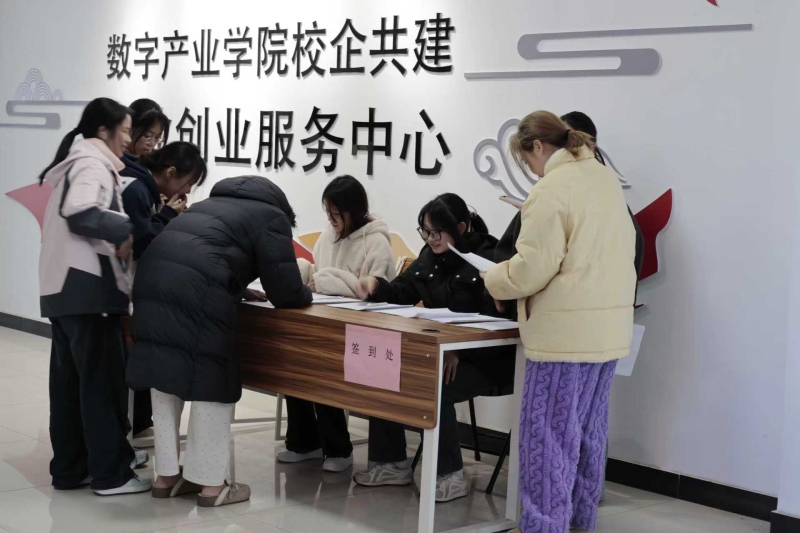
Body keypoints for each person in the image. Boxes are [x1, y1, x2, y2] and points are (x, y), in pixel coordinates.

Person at [483, 111, 637, 533]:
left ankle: (544, 526)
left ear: (537, 146)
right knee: (588, 432)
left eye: (525, 160)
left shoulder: (552, 189)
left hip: (563, 338)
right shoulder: (604, 179)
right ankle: (580, 521)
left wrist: (494, 278)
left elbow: (533, 267)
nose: (531, 170)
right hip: (607, 333)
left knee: (547, 440)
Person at [126, 175, 313, 507]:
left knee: (163, 376)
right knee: (212, 379)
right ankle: (213, 485)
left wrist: (238, 287)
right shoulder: (273, 217)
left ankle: (166, 477)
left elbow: (202, 253)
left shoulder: (206, 205)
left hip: (152, 283)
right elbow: (285, 291)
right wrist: (307, 294)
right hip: (198, 294)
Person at [353, 193, 515, 503]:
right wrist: (376, 286)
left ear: (461, 228)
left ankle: (449, 476)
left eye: (436, 232)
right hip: (446, 353)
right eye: (425, 231)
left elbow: (496, 320)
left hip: (489, 360)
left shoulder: (489, 257)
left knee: (434, 386)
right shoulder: (429, 256)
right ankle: (391, 464)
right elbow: (402, 291)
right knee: (384, 371)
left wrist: (458, 350)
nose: (430, 239)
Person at [38, 97, 152, 496]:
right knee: (102, 385)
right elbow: (82, 211)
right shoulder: (90, 163)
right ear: (104, 131)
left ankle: (71, 469)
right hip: (89, 291)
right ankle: (110, 474)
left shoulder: (74, 162)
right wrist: (127, 231)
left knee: (70, 388)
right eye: (125, 131)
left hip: (63, 291)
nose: (129, 140)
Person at [279, 175, 396, 472]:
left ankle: (339, 450)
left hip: (362, 328)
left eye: (336, 213)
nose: (331, 220)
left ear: (353, 211)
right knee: (293, 365)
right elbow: (320, 274)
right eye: (328, 212)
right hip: (323, 320)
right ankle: (305, 443)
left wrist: (326, 281)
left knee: (323, 370)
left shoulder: (376, 240)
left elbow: (373, 290)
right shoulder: (328, 235)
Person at [118, 98, 172, 439]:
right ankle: (132, 422)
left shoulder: (145, 173)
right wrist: (165, 215)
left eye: (157, 138)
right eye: (146, 135)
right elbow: (140, 236)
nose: (151, 144)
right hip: (124, 278)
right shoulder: (127, 177)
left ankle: (140, 419)